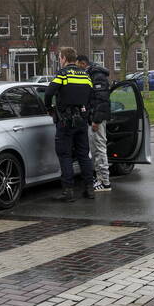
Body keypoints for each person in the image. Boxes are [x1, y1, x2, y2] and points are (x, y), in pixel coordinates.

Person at [44, 47, 95, 202]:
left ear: (65, 58)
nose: (59, 60)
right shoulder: (85, 75)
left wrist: (49, 108)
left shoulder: (63, 74)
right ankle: (89, 189)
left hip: (65, 121)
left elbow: (48, 93)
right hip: (81, 121)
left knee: (65, 155)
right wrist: (87, 113)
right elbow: (92, 96)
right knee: (83, 155)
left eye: (60, 58)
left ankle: (68, 191)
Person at [75, 54, 112, 192]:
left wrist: (96, 120)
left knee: (100, 149)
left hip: (97, 119)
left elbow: (101, 100)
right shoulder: (93, 75)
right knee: (96, 149)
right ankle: (100, 179)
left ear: (83, 63)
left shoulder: (97, 76)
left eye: (78, 65)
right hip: (94, 118)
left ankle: (105, 182)